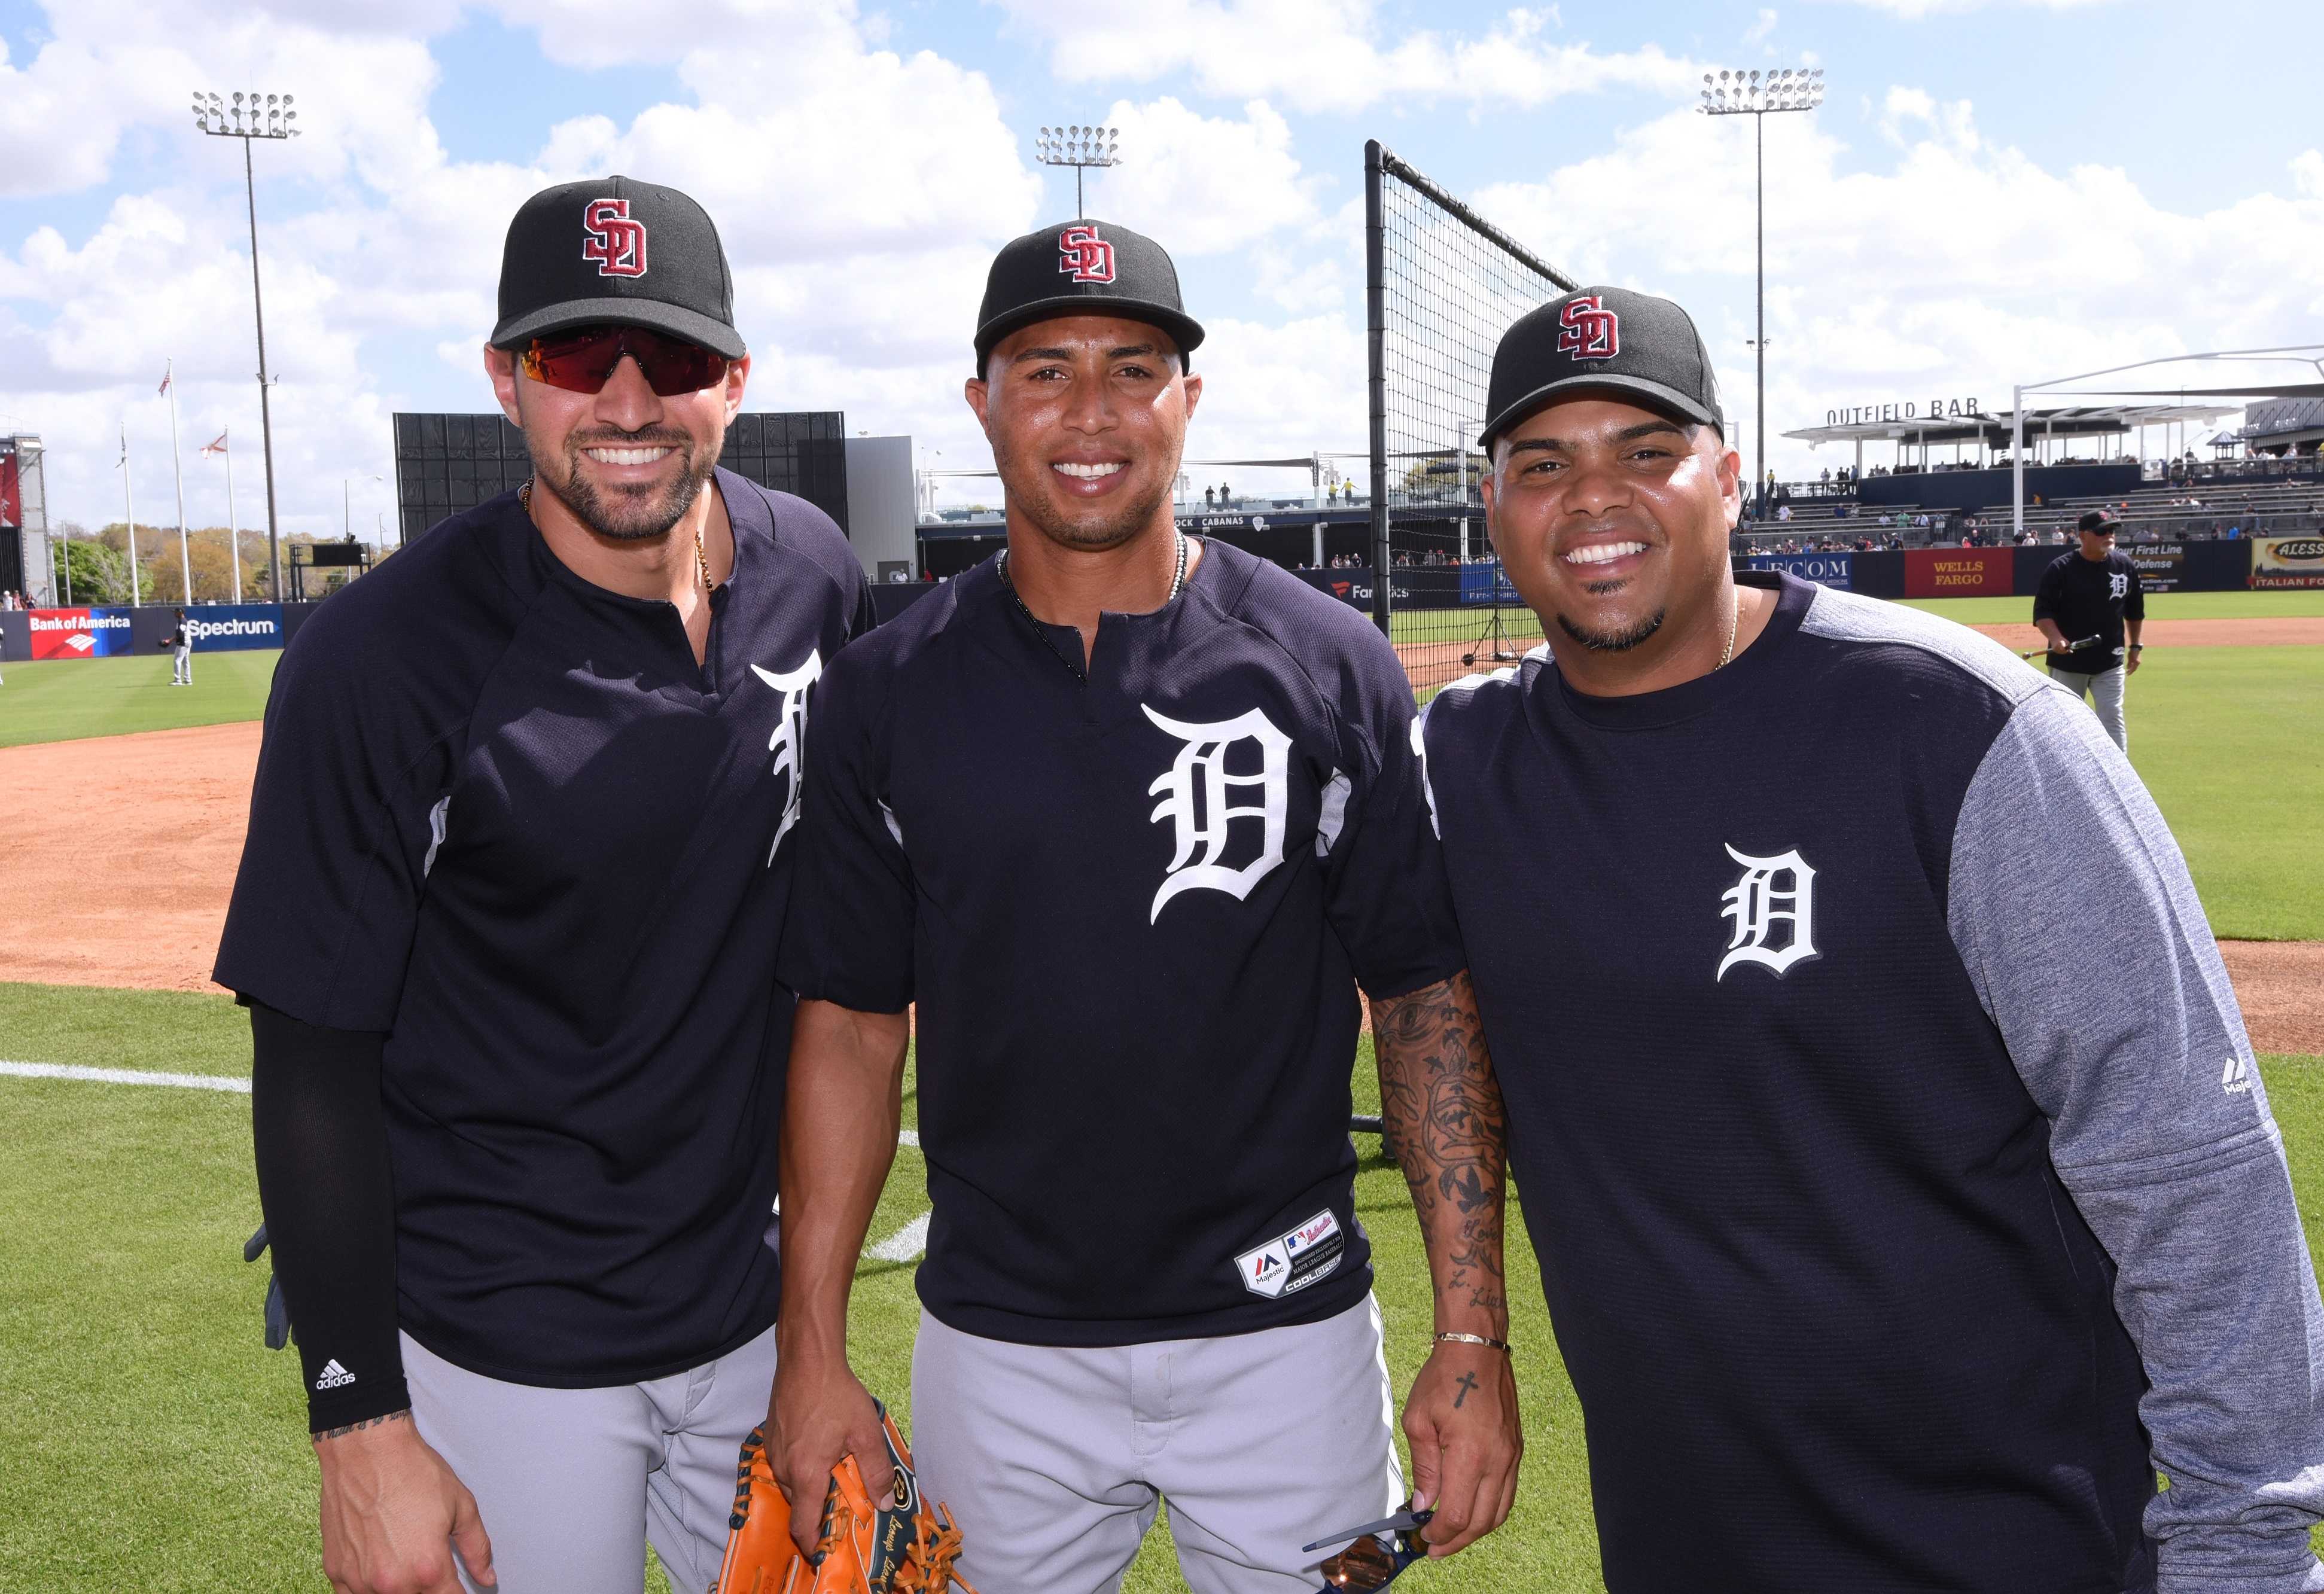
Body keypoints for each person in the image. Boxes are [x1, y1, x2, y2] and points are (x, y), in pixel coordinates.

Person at [1415, 284, 2324, 1592]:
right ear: (1493, 505)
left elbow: (2186, 1158)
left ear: (1727, 480)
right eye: (1543, 464)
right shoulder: (1463, 764)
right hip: (1686, 1543)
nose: (1593, 498)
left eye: (1646, 453)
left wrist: (2244, 1547)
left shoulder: (1954, 729)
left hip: (2017, 1540)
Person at [768, 217, 1520, 1593]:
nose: (1092, 410)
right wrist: (811, 1348)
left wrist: (1472, 1334)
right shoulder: (887, 691)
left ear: (1188, 395)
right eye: (1045, 370)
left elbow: (1419, 996)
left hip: (1284, 1337)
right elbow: (853, 1028)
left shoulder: (1325, 663)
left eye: (1134, 367)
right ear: (982, 400)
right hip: (1000, 1349)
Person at [214, 175, 874, 1594]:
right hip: (501, 1338)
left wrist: (815, 1333)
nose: (628, 403)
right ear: (508, 380)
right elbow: (313, 1045)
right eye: (579, 359)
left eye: (675, 361)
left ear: (736, 381)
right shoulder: (381, 661)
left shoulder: (813, 573)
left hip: (746, 1308)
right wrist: (357, 1417)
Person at [2034, 508, 2145, 751]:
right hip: (2069, 662)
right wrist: (2055, 638)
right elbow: (2042, 613)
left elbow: (2135, 612)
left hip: (2110, 661)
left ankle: (2119, 777)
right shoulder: (2061, 569)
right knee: (2066, 722)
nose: (2109, 535)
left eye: (2112, 530)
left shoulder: (2124, 566)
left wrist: (2135, 646)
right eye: (2102, 531)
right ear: (2083, 536)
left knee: (2112, 716)